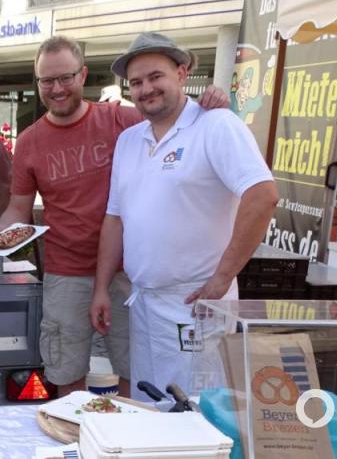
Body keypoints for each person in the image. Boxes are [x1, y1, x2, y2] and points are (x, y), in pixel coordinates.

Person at [0, 35, 229, 397]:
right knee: (65, 368)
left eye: (65, 77)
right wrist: (4, 230)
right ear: (37, 83)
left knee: (134, 367)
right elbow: (19, 207)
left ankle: (121, 440)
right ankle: (72, 441)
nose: (57, 89)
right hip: (64, 271)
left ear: (83, 74)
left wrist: (211, 100)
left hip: (127, 271)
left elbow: (172, 114)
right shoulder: (30, 141)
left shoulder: (122, 120)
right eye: (47, 81)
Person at [90, 31, 278, 398]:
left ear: (182, 71)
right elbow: (115, 219)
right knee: (149, 405)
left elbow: (263, 195)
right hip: (144, 303)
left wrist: (223, 277)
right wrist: (100, 289)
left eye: (155, 76)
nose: (146, 89)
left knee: (194, 414)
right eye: (136, 82)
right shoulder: (130, 140)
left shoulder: (216, 125)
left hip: (196, 308)